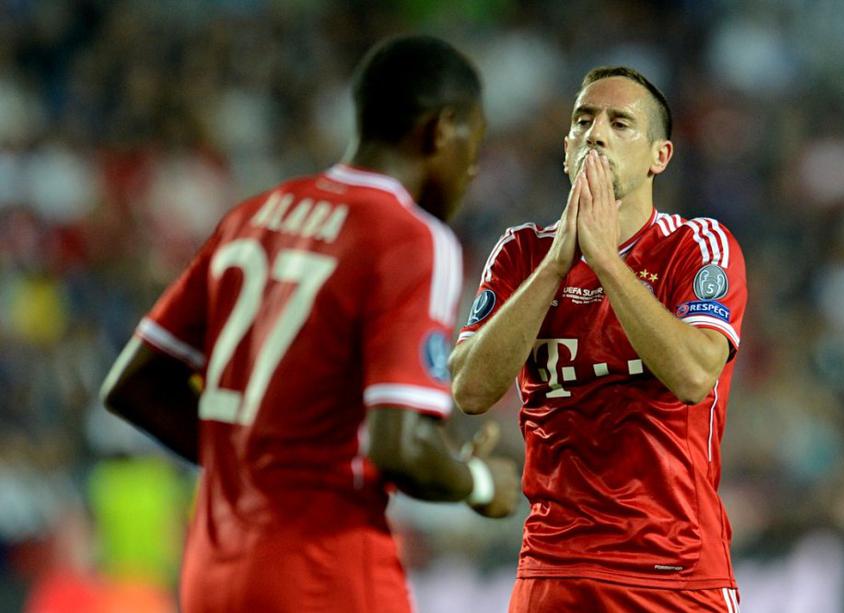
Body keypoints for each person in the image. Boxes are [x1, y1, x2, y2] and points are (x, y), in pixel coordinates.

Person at [99, 35, 519, 613]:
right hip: (323, 570)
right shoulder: (410, 237)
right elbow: (399, 447)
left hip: (212, 573)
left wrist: (252, 470)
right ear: (441, 130)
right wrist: (480, 482)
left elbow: (134, 385)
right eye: (474, 140)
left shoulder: (254, 215)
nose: (472, 169)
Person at [449, 66, 747, 612]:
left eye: (620, 123)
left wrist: (605, 260)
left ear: (659, 156)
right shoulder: (521, 254)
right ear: (566, 147)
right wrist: (556, 264)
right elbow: (469, 390)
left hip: (672, 572)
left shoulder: (695, 246)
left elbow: (693, 375)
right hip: (551, 570)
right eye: (583, 120)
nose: (596, 134)